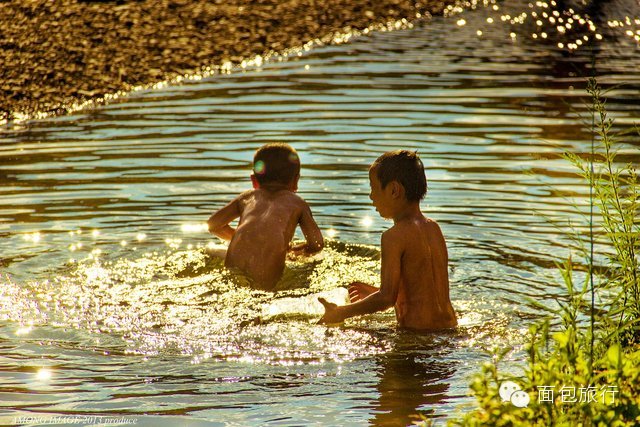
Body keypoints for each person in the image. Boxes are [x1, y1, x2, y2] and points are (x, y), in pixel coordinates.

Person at [318, 150, 457, 330]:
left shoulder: (393, 236)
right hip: (450, 329)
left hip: (417, 336)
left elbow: (386, 299)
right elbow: (421, 290)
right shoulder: (433, 228)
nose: (371, 196)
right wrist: (373, 293)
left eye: (373, 188)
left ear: (393, 190)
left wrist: (340, 312)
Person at [207, 143, 324, 290]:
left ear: (254, 180)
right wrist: (295, 252)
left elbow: (213, 225)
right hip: (267, 279)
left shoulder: (247, 197)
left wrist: (243, 239)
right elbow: (316, 244)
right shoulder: (297, 203)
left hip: (231, 273)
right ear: (296, 180)